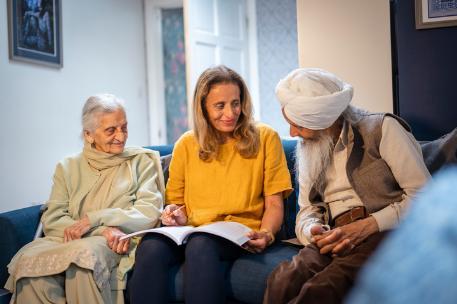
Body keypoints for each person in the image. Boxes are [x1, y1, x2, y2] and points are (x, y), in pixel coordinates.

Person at [263, 68, 430, 304]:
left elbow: (426, 198)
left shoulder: (383, 129)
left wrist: (367, 225)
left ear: (323, 120)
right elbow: (307, 210)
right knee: (282, 281)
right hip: (333, 234)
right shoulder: (307, 147)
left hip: (382, 233)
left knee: (321, 288)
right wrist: (312, 230)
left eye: (298, 126)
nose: (292, 133)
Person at [129, 65, 293, 304]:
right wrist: (175, 215)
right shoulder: (186, 144)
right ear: (203, 108)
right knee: (150, 247)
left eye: (235, 103)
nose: (230, 113)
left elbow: (275, 204)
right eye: (220, 106)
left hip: (240, 232)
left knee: (201, 244)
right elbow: (176, 204)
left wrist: (267, 234)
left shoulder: (266, 137)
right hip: (192, 230)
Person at [4, 94, 165, 304]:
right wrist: (100, 229)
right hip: (71, 240)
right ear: (89, 135)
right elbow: (53, 219)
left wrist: (95, 218)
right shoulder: (67, 167)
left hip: (117, 243)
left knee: (83, 260)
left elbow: (149, 212)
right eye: (111, 130)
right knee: (31, 272)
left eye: (124, 127)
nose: (121, 136)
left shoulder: (140, 162)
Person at [346, 166, 457, 304]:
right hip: (327, 232)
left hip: (377, 228)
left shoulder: (447, 191)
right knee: (310, 266)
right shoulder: (318, 157)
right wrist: (312, 227)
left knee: (322, 285)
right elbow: (311, 208)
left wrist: (370, 225)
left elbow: (420, 192)